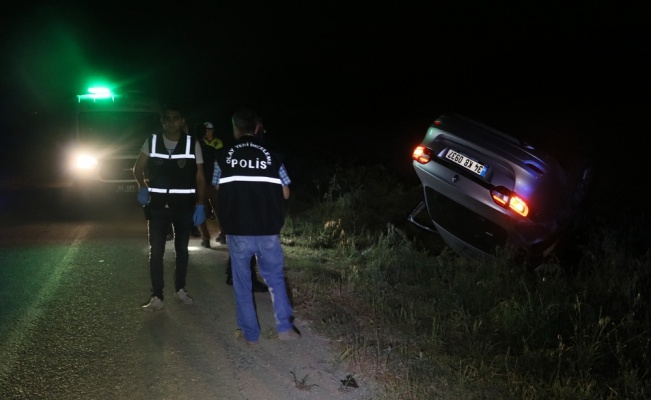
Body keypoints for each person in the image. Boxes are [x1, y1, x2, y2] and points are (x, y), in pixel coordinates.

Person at [213, 108, 299, 345]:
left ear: (235, 128)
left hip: (238, 228)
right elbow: (285, 191)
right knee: (275, 277)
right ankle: (285, 327)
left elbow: (219, 188)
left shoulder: (224, 156)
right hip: (268, 228)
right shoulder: (273, 156)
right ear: (257, 128)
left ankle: (250, 334)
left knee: (242, 282)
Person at [133, 102, 206, 312]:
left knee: (182, 250)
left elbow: (200, 177)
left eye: (175, 118)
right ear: (162, 121)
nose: (170, 121)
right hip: (157, 206)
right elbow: (137, 169)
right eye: (167, 118)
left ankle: (180, 290)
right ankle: (157, 296)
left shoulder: (192, 143)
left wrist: (201, 204)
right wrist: (143, 187)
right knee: (156, 252)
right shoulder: (153, 141)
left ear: (182, 121)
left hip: (184, 206)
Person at [195, 121, 223, 248]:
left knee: (200, 209)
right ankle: (223, 234)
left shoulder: (192, 148)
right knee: (218, 210)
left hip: (200, 184)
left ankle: (205, 238)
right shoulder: (211, 149)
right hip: (213, 183)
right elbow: (218, 165)